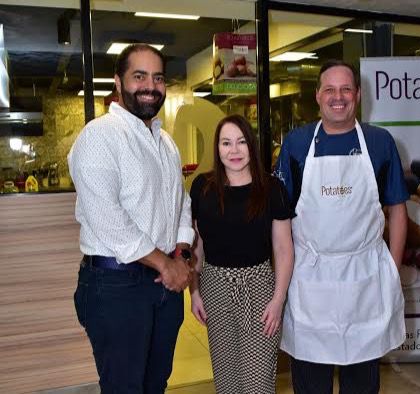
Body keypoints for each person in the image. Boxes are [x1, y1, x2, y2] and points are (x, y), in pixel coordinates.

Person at [274, 59, 408, 394]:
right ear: (318, 95)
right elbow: (280, 218)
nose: (339, 96)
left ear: (358, 95)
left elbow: (398, 209)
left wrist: (391, 268)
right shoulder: (296, 144)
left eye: (346, 88)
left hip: (364, 279)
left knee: (361, 380)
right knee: (311, 380)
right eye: (330, 89)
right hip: (310, 279)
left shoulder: (379, 143)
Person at [68, 44, 194, 393]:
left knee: (156, 383)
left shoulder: (165, 142)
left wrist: (181, 254)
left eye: (157, 78)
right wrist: (166, 265)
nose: (150, 86)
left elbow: (180, 202)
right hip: (116, 287)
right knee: (124, 387)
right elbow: (109, 219)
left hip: (162, 286)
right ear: (118, 82)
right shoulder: (98, 136)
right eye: (139, 76)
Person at [189, 114, 294, 394]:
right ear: (217, 148)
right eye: (226, 143)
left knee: (257, 383)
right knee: (227, 382)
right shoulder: (203, 187)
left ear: (252, 145)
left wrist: (278, 300)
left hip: (259, 289)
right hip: (214, 288)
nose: (234, 151)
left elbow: (284, 250)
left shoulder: (272, 189)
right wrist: (194, 291)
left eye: (241, 142)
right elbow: (195, 245)